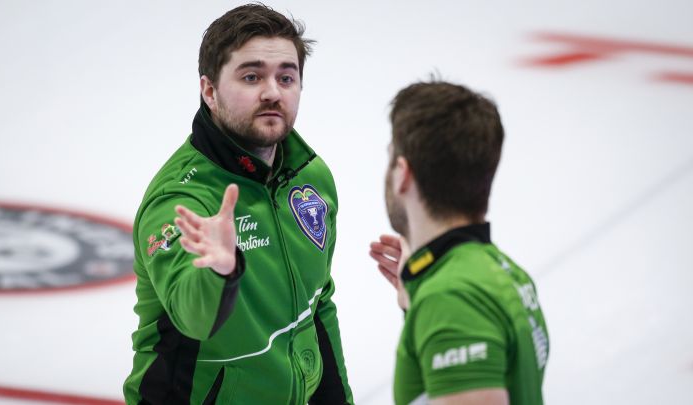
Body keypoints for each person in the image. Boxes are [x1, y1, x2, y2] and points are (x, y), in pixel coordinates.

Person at [124, 4, 354, 404]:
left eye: (287, 77)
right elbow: (193, 317)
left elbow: (318, 307)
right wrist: (219, 271)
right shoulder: (182, 201)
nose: (272, 92)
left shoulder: (311, 179)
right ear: (209, 91)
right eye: (251, 77)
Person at [369, 81, 549, 405]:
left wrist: (436, 300)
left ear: (402, 174)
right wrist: (415, 297)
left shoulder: (451, 297)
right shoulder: (502, 270)